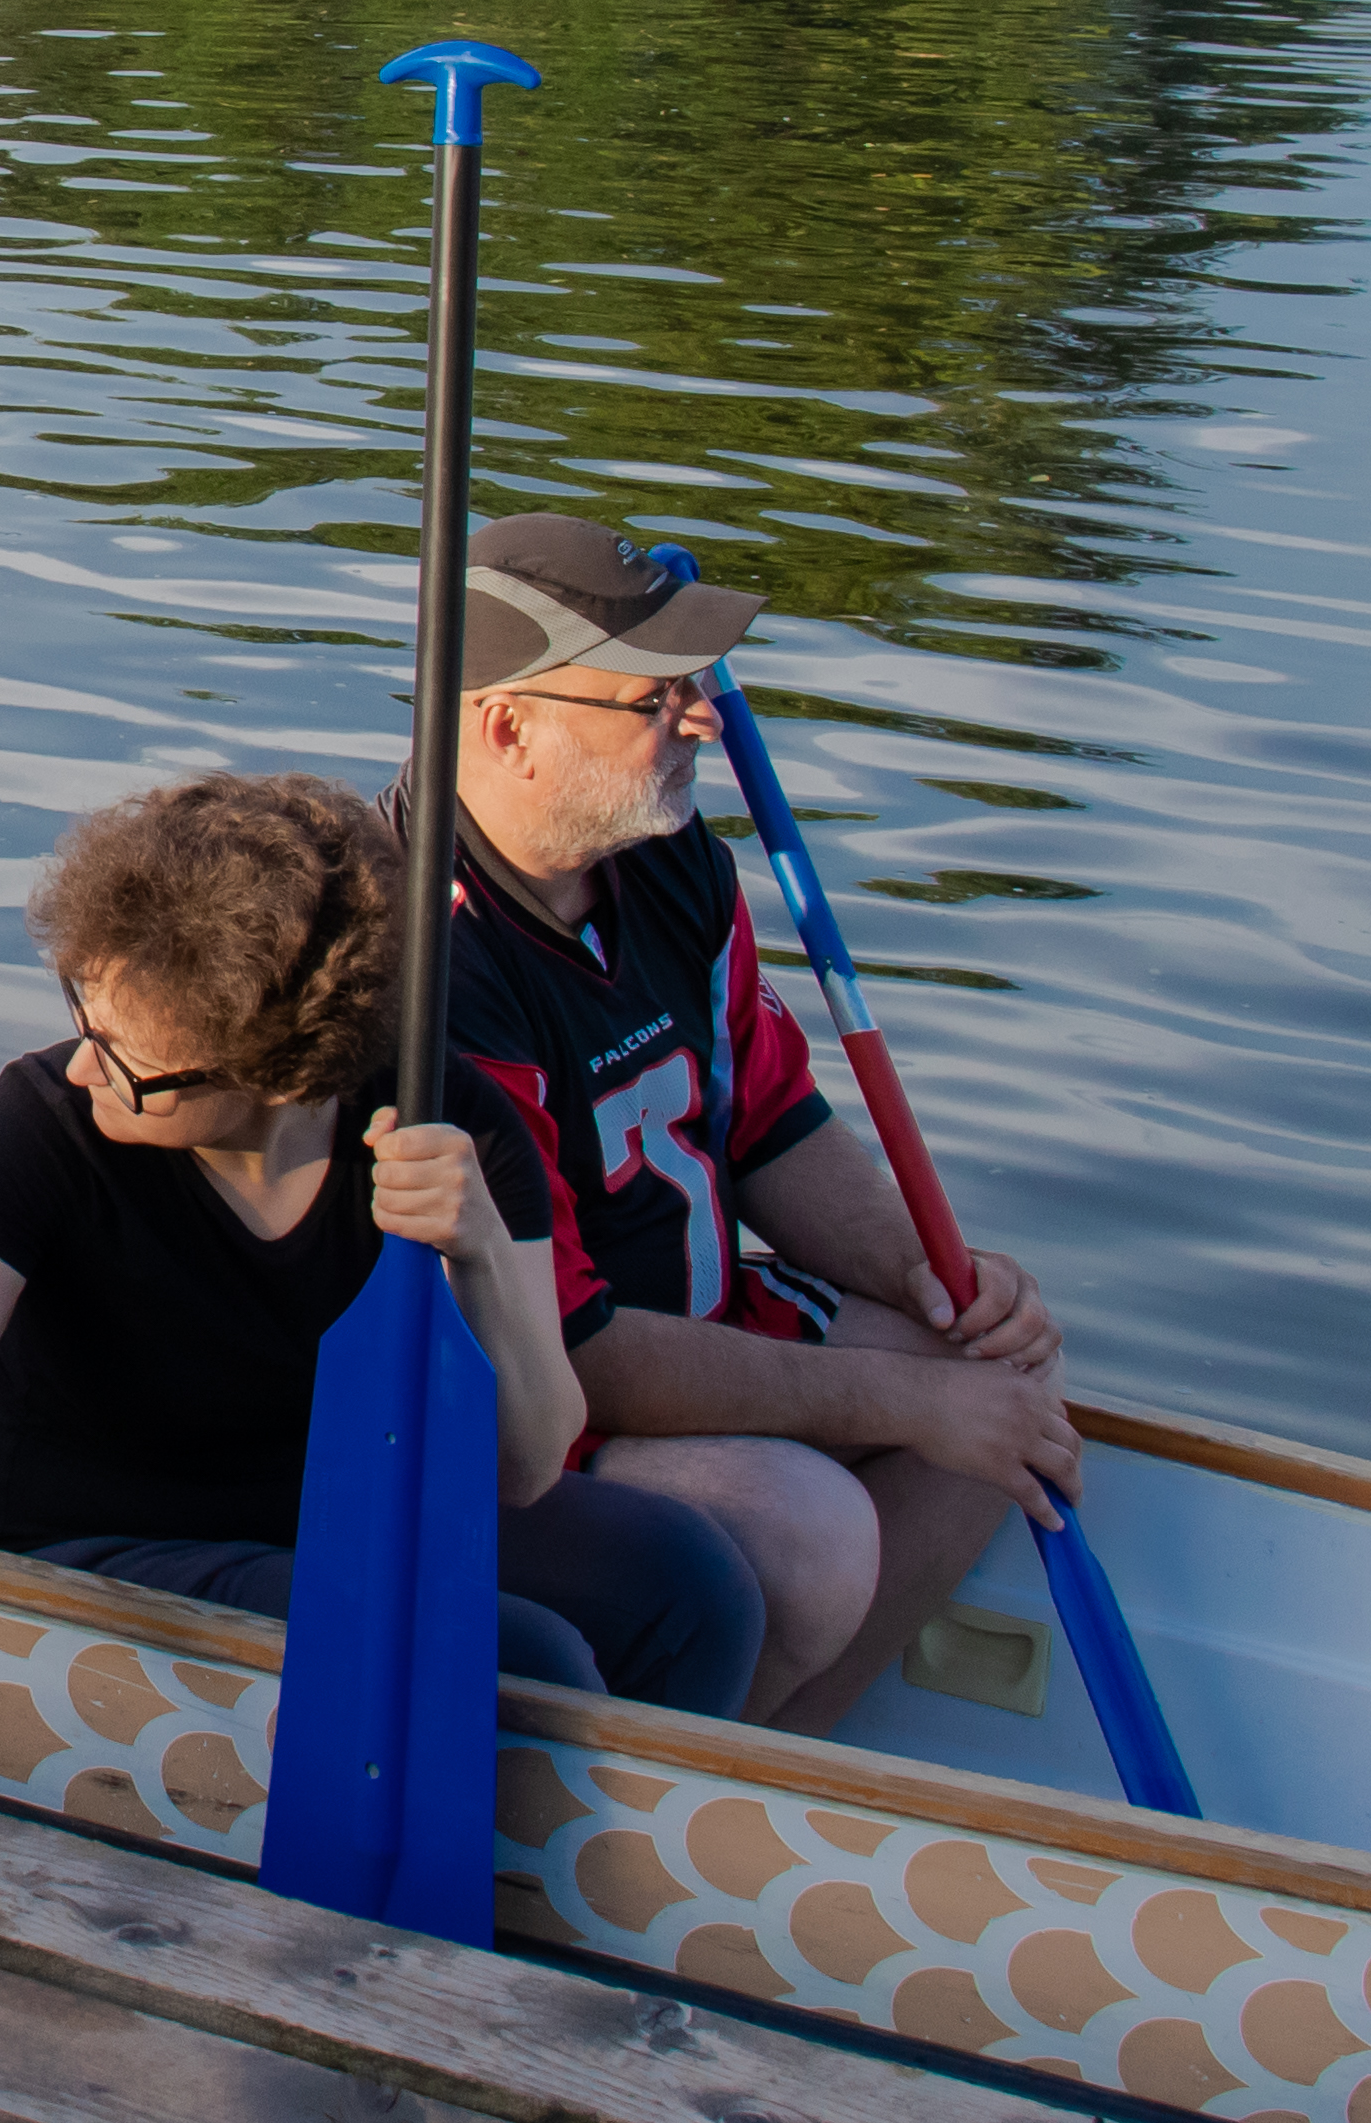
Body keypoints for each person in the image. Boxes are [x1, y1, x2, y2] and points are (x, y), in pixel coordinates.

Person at [0, 771, 766, 1794]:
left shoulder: (445, 1120)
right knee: (526, 1660)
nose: (83, 1058)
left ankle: (594, 1881)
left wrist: (480, 1260)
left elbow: (524, 1463)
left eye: (127, 1055)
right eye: (82, 1007)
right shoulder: (47, 1121)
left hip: (331, 1508)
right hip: (91, 1544)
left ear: (285, 1070)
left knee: (687, 1582)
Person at [429, 516, 1072, 1730]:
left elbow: (770, 1124)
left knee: (1001, 1369)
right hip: (530, 1418)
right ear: (508, 721)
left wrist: (940, 1281)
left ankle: (781, 1752)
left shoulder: (666, 862)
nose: (701, 720)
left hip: (701, 1318)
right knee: (809, 1530)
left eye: (694, 687)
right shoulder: (432, 961)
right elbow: (579, 1346)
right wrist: (902, 1405)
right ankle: (695, 1812)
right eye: (653, 697)